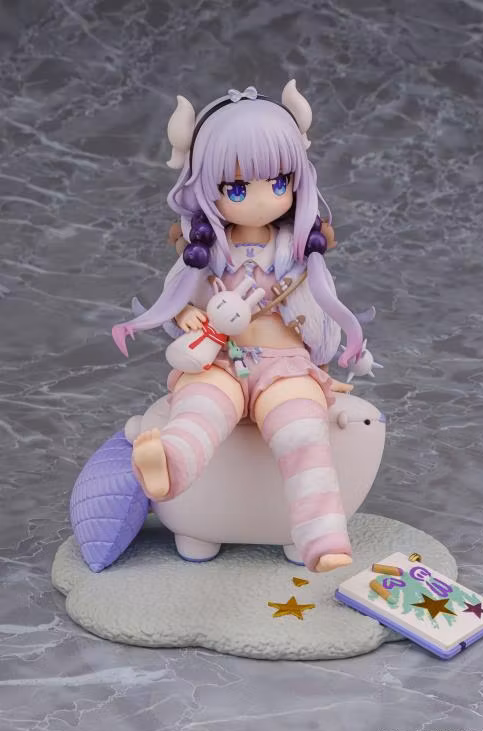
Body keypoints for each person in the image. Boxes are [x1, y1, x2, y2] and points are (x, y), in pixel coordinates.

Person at [112, 81, 373, 573]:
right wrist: (186, 314)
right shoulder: (208, 252)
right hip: (221, 361)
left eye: (278, 183)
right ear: (205, 188)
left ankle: (321, 537)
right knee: (198, 411)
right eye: (236, 189)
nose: (260, 200)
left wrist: (319, 359)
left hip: (285, 364)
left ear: (296, 180)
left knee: (302, 433)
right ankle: (169, 466)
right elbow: (180, 296)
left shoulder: (297, 253)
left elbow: (319, 311)